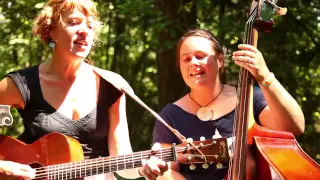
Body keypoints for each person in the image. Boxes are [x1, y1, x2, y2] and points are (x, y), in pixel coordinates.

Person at [0, 0, 167, 179]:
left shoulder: (111, 84)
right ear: (51, 30)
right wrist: (3, 166)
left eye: (89, 25)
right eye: (73, 22)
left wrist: (143, 166)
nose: (84, 31)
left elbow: (122, 160)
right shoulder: (21, 84)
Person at [152, 29, 305, 179]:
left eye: (200, 56)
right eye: (186, 59)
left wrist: (264, 76)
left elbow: (292, 128)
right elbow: (167, 172)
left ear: (220, 61)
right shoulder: (169, 115)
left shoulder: (250, 97)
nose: (193, 63)